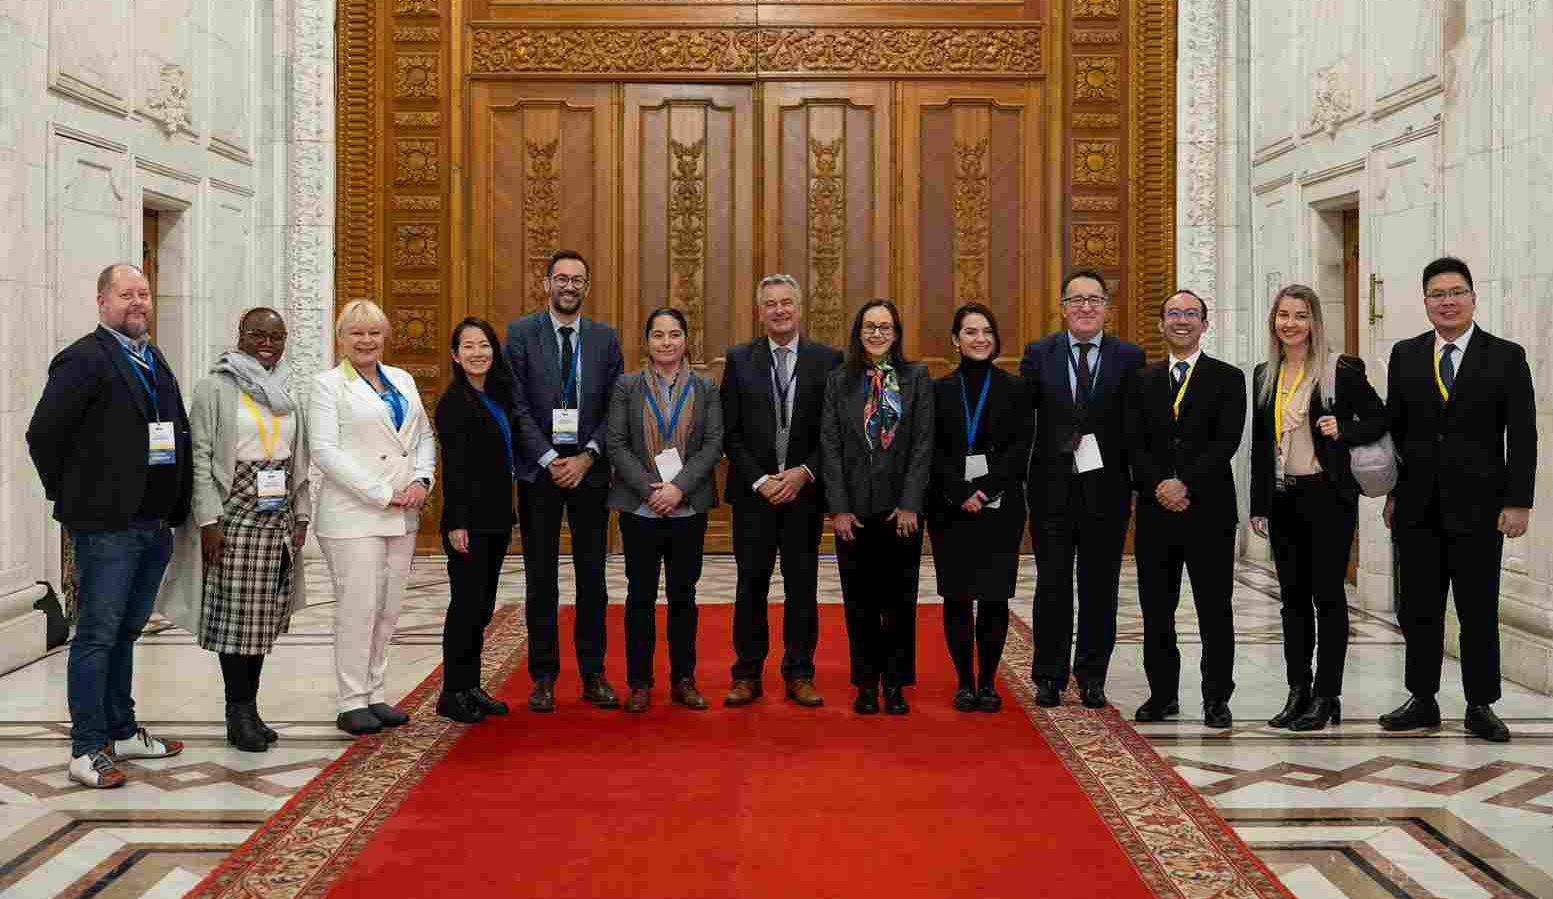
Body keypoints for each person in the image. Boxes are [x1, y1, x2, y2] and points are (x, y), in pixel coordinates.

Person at [26, 262, 190, 788]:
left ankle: (121, 727)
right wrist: (74, 496)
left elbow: (174, 433)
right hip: (105, 526)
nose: (137, 303)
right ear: (102, 302)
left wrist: (177, 507)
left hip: (152, 523)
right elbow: (42, 435)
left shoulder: (152, 357)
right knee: (96, 635)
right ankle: (86, 747)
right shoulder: (83, 359)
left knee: (127, 631)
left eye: (143, 293)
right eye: (126, 295)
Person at [1380, 256, 1536, 743]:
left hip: (1481, 509)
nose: (1447, 302)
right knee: (1418, 608)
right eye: (1437, 295)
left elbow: (1525, 434)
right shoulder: (1405, 355)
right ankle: (1421, 699)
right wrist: (1392, 494)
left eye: (1456, 292)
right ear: (1425, 302)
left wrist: (1518, 502)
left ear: (1473, 297)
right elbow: (1397, 433)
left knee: (1477, 609)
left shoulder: (1506, 356)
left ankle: (1480, 703)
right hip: (1417, 507)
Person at [161, 308, 312, 752]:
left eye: (276, 335)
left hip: (277, 509)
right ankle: (237, 710)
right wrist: (208, 520)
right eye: (257, 334)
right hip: (233, 510)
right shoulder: (214, 387)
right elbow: (202, 458)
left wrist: (301, 514)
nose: (267, 342)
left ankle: (251, 706)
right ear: (240, 336)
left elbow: (297, 460)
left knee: (264, 618)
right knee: (234, 620)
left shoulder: (287, 389)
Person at [1248, 285, 1387, 732]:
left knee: (1326, 597)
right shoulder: (1264, 373)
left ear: (1314, 322)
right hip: (1284, 498)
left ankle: (1328, 694)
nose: (1291, 323)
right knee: (1291, 600)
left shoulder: (1339, 370)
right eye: (1283, 315)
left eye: (1301, 316)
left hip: (1327, 498)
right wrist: (1258, 504)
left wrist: (1343, 428)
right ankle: (1298, 690)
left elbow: (1382, 419)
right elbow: (1259, 447)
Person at [308, 299, 437, 736]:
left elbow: (422, 435)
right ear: (341, 338)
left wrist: (422, 480)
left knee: (387, 609)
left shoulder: (401, 379)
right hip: (354, 514)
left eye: (374, 333)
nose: (366, 341)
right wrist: (385, 493)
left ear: (386, 337)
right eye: (356, 333)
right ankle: (350, 701)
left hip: (403, 512)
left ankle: (375, 692)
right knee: (358, 608)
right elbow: (325, 452)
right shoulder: (327, 385)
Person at [1020, 269, 1145, 709]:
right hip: (1051, 490)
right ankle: (1049, 677)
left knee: (1099, 586)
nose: (1086, 307)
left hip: (1107, 491)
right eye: (1076, 300)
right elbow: (1022, 421)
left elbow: (1137, 425)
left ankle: (1092, 675)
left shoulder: (1129, 356)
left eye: (1094, 299)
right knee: (1052, 585)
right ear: (1062, 306)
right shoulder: (1039, 353)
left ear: (1107, 307)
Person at [507, 249, 625, 712]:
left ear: (587, 286)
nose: (569, 286)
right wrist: (552, 456)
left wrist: (588, 456)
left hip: (590, 476)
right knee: (541, 578)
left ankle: (593, 673)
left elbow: (614, 405)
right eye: (561, 278)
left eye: (577, 279)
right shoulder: (520, 334)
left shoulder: (604, 338)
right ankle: (543, 675)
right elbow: (516, 402)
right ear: (547, 284)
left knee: (592, 577)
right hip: (540, 473)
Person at [719, 274, 842, 708]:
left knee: (802, 586)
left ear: (799, 307)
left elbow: (833, 432)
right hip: (754, 495)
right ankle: (747, 673)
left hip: (803, 495)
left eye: (786, 302)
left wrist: (803, 472)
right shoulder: (739, 359)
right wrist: (761, 479)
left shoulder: (829, 361)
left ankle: (800, 673)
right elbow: (729, 433)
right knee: (750, 584)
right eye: (770, 303)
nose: (779, 310)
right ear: (760, 310)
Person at [1126, 290, 1247, 728]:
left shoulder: (1229, 378)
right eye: (1174, 314)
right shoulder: (1141, 380)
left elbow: (1226, 442)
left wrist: (1184, 482)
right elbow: (1133, 443)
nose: (1182, 320)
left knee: (1215, 608)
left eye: (1191, 314)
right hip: (1157, 511)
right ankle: (1162, 694)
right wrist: (1159, 483)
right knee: (1157, 609)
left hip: (1209, 511)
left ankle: (1217, 697)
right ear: (1161, 324)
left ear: (1204, 324)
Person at [606, 308, 725, 712]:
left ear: (686, 340)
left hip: (687, 508)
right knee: (639, 596)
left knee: (683, 597)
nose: (667, 342)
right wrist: (649, 489)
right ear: (648, 342)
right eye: (658, 335)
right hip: (640, 508)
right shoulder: (628, 385)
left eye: (675, 334)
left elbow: (712, 443)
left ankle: (684, 679)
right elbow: (616, 443)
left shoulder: (706, 387)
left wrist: (678, 488)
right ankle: (639, 682)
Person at [821, 299, 934, 715]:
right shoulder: (839, 381)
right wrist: (839, 509)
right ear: (858, 332)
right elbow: (829, 446)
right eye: (870, 326)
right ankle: (866, 683)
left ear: (897, 333)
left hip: (900, 511)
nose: (877, 334)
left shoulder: (917, 377)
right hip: (854, 512)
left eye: (885, 327)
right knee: (860, 601)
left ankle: (896, 684)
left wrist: (910, 503)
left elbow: (923, 443)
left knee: (899, 600)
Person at [927, 304, 1030, 712]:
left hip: (1000, 509)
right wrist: (958, 491)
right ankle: (963, 682)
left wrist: (984, 491)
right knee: (957, 597)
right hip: (950, 509)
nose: (979, 338)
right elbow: (931, 449)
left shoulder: (1016, 388)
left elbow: (1020, 448)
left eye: (986, 330)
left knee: (993, 597)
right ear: (955, 339)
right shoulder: (938, 391)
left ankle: (988, 682)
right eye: (970, 331)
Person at [433, 318, 520, 724]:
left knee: (482, 606)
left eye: (483, 344)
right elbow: (454, 469)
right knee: (465, 606)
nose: (477, 353)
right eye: (467, 346)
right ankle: (452, 692)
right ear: (455, 355)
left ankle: (471, 686)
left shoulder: (499, 395)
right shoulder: (454, 402)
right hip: (468, 522)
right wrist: (455, 523)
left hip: (497, 518)